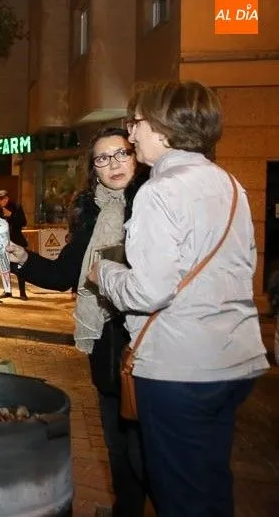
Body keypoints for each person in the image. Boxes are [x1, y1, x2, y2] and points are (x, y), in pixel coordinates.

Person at [89, 81, 269, 516]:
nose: (131, 136)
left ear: (163, 128)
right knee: (208, 486)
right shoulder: (229, 185)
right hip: (232, 362)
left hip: (179, 370)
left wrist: (105, 272)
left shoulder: (159, 191)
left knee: (180, 498)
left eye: (136, 125)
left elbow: (149, 290)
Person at [7, 127, 151, 517]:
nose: (113, 165)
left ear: (136, 155)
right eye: (102, 159)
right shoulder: (89, 213)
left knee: (146, 446)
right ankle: (127, 508)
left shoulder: (154, 204)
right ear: (94, 169)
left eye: (121, 154)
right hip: (105, 341)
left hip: (148, 340)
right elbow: (64, 275)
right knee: (117, 440)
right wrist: (23, 258)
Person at [0, 189, 28, 299]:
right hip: (3, 242)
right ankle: (7, 291)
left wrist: (11, 215)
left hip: (16, 241)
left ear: (6, 199)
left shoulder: (16, 207)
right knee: (5, 267)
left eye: (1, 200)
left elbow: (23, 222)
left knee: (20, 267)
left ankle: (22, 292)